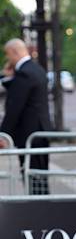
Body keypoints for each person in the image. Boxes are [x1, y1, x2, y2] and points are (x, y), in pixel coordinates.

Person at [0, 38, 52, 194]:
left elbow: (15, 107)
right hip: (41, 131)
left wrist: (3, 134)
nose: (9, 59)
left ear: (15, 52)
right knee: (40, 176)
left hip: (29, 133)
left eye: (8, 55)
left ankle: (38, 213)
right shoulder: (37, 70)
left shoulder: (24, 73)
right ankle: (43, 209)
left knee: (32, 177)